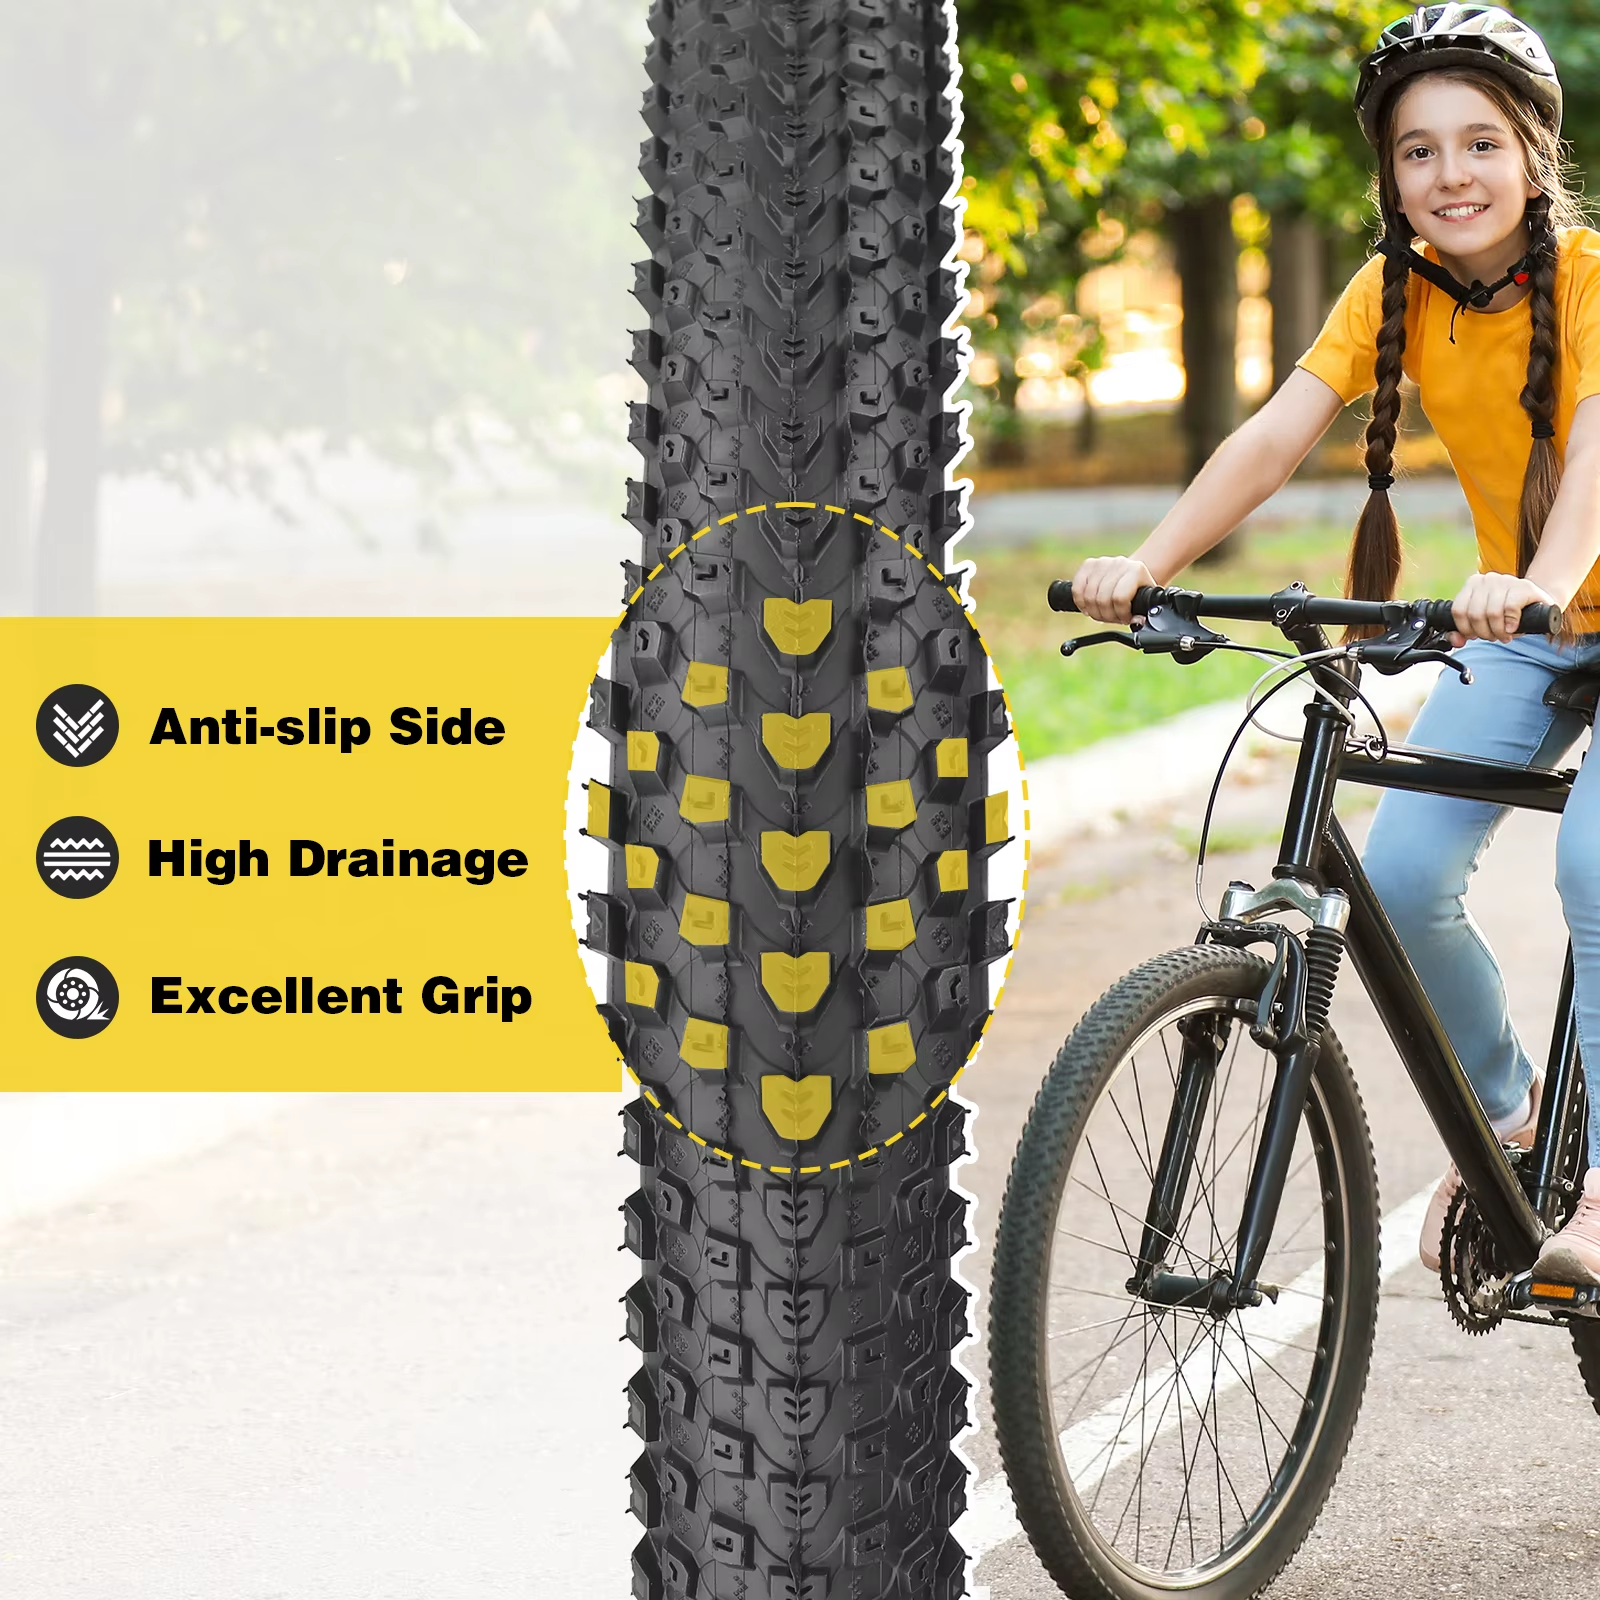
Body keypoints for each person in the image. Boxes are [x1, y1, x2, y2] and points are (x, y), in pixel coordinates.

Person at [1069, 5, 1600, 1284]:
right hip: (1533, 626)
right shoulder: (1393, 289)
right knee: (1404, 874)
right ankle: (1514, 1127)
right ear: (1389, 177)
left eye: (1479, 143)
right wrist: (1151, 564)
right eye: (1417, 152)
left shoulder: (1589, 278)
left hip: (1539, 593)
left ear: (1533, 154)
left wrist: (1532, 583)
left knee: (1594, 861)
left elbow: (1597, 454)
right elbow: (1273, 434)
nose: (1450, 175)